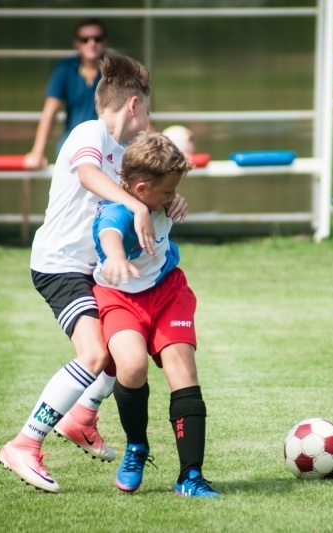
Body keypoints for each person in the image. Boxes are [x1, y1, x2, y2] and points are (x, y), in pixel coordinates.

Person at [0, 52, 187, 494]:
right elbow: (86, 174)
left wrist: (170, 201)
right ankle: (24, 443)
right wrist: (136, 204)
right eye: (149, 107)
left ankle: (82, 416)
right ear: (134, 105)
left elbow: (148, 190)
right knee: (95, 354)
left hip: (91, 270)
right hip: (59, 265)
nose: (151, 119)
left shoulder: (125, 154)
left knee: (124, 347)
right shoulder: (90, 132)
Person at [92, 131, 220, 498]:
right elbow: (109, 234)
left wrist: (173, 199)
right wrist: (115, 257)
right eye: (168, 192)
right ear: (142, 189)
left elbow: (166, 194)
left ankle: (190, 476)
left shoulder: (157, 197)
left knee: (183, 370)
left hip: (167, 292)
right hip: (120, 296)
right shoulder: (117, 210)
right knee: (131, 367)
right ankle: (136, 447)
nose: (173, 198)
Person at [24, 18, 108, 169]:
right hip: (73, 139)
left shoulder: (116, 69)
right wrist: (37, 152)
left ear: (105, 42)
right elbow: (50, 112)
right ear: (76, 43)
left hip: (108, 140)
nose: (92, 43)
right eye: (85, 39)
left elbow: (134, 106)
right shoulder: (65, 68)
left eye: (97, 38)